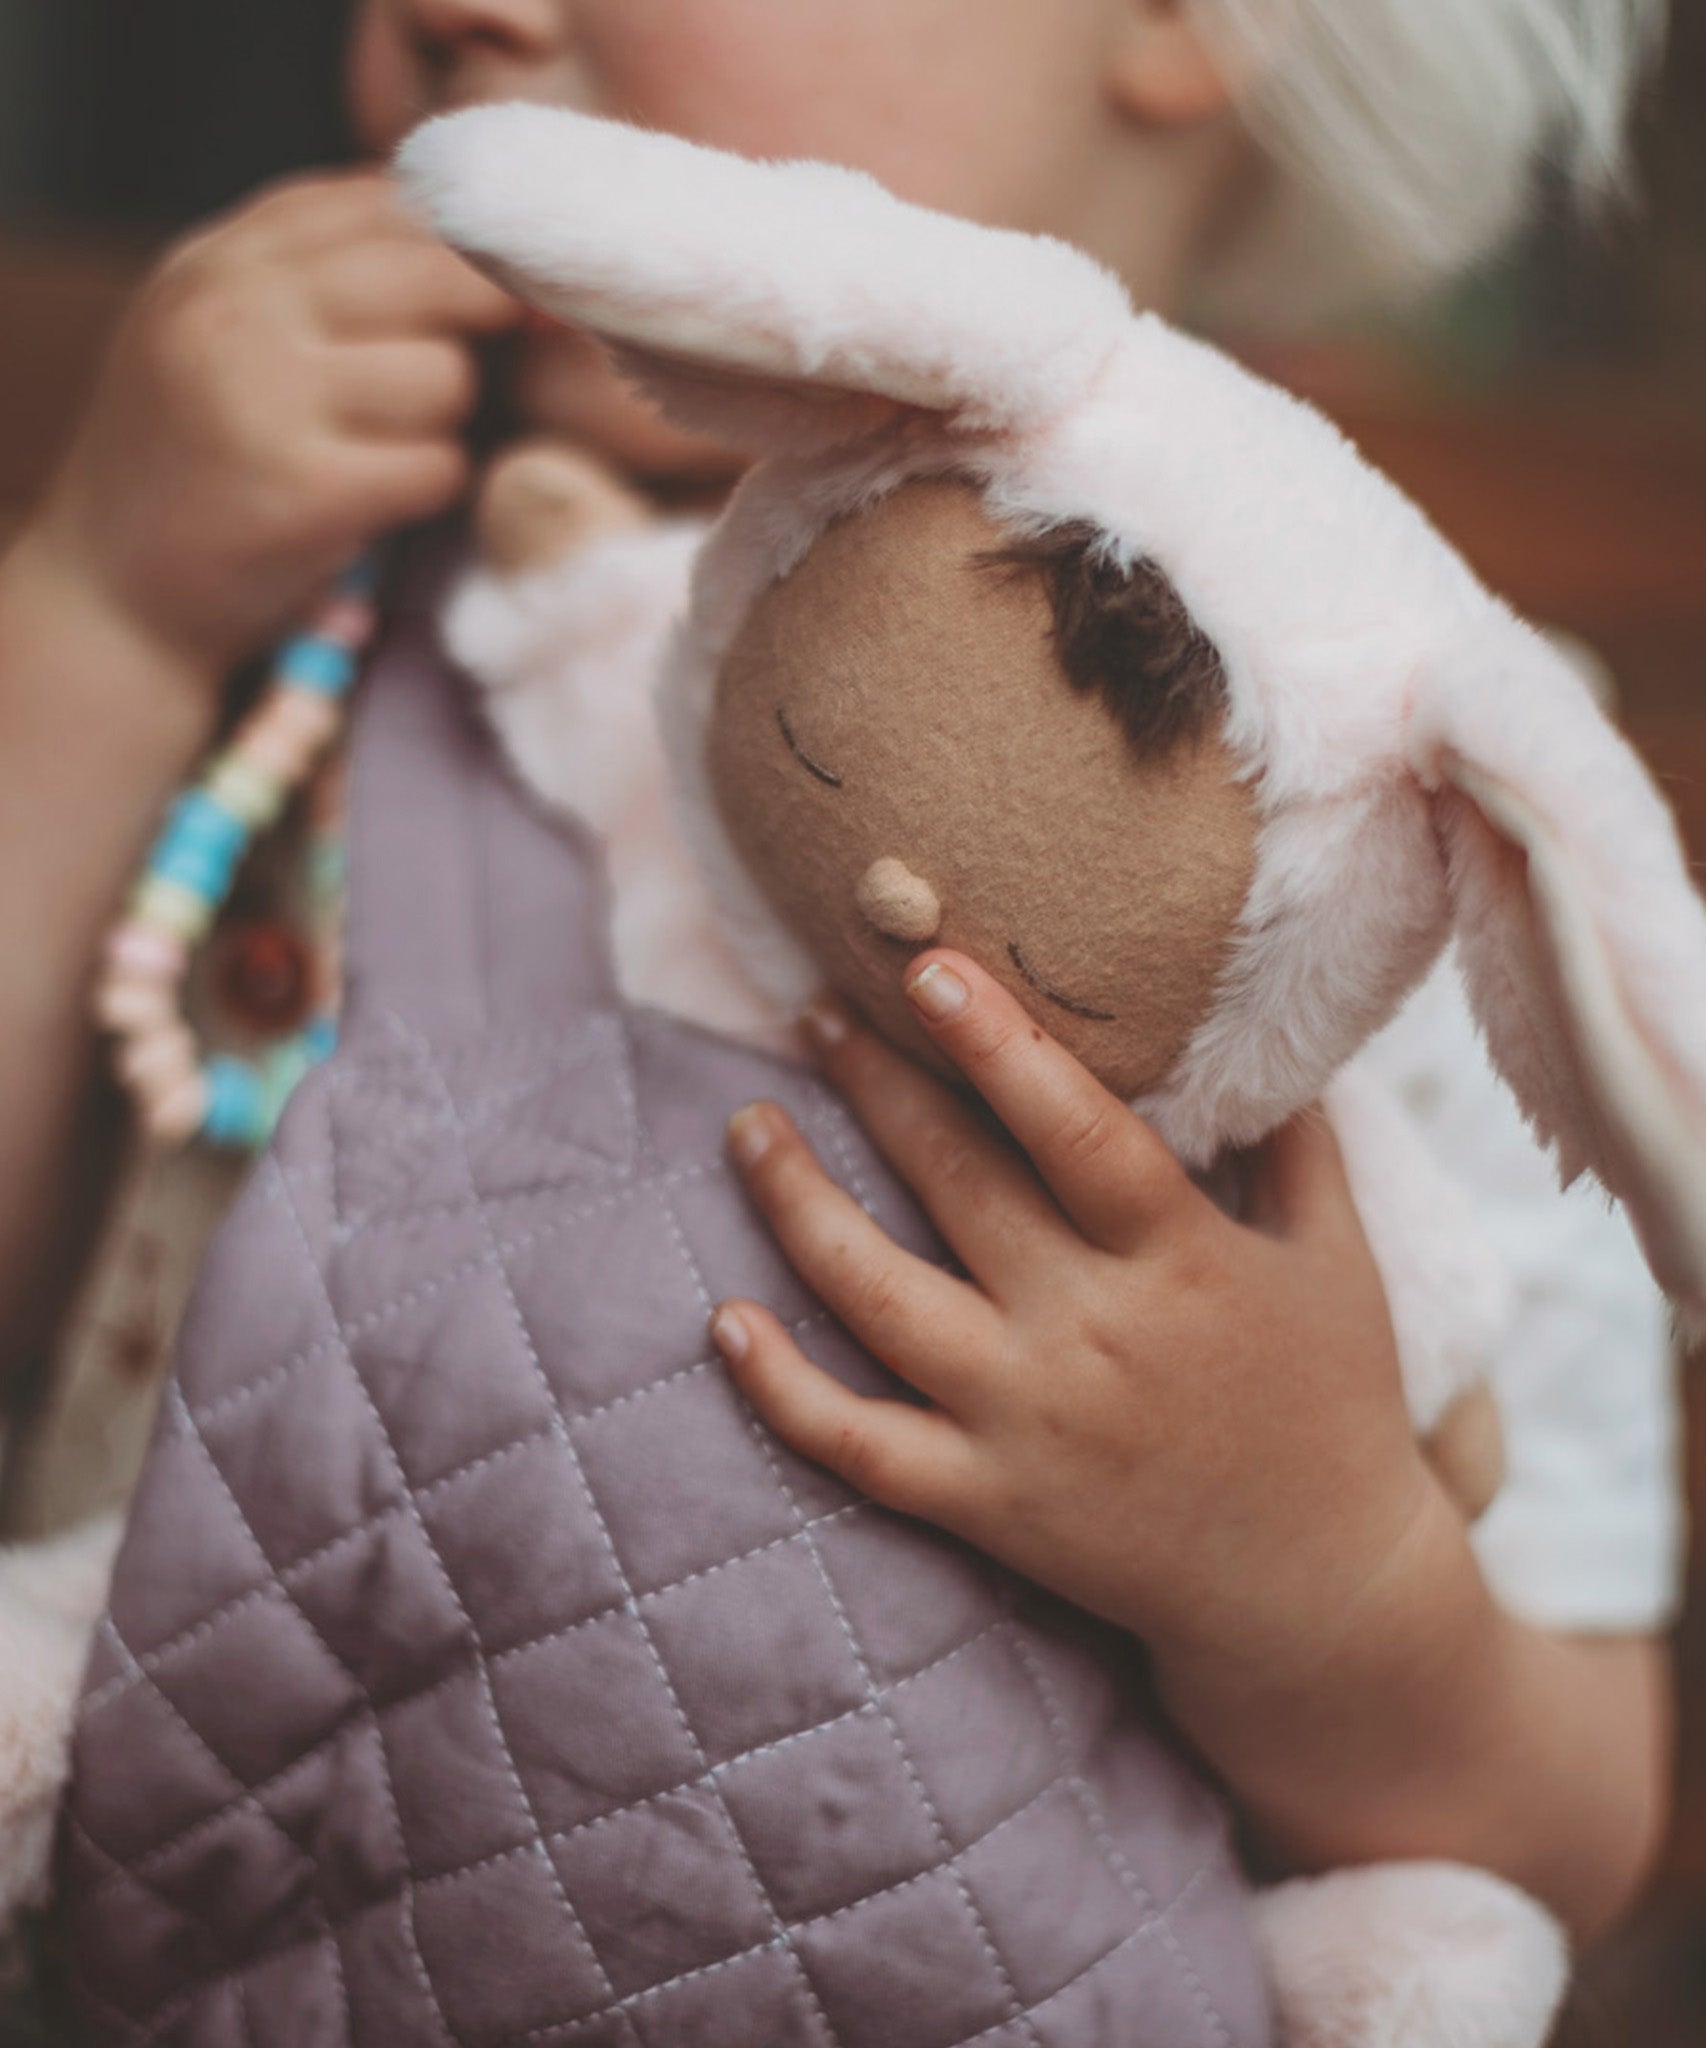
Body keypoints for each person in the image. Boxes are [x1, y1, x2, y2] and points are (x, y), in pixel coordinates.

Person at [0, 0, 1676, 1967]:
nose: (444, 12)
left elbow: (1571, 1821)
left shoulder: (1389, 820)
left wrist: (1320, 1568)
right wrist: (100, 610)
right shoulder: (301, 608)